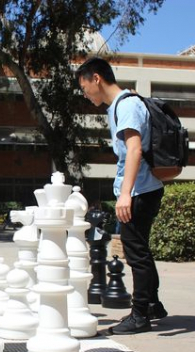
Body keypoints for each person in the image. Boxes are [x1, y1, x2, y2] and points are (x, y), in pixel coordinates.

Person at [76, 57, 167, 335]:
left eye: (84, 87)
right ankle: (152, 305)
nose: (84, 94)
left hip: (139, 190)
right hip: (143, 188)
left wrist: (125, 194)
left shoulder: (126, 105)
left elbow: (134, 149)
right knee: (140, 249)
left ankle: (139, 315)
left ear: (96, 79)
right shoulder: (123, 105)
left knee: (135, 252)